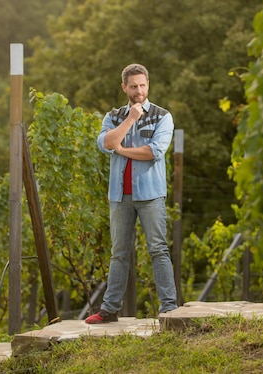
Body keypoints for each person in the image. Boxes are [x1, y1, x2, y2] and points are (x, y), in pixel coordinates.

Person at [85, 63, 178, 324]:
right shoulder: (113, 117)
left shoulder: (163, 116)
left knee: (158, 249)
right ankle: (109, 310)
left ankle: (169, 309)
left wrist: (122, 150)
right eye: (134, 86)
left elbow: (153, 152)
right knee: (119, 253)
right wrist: (131, 119)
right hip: (119, 196)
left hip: (150, 194)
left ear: (148, 84)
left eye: (143, 85)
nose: (139, 91)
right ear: (124, 87)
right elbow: (105, 144)